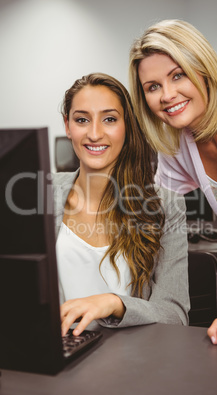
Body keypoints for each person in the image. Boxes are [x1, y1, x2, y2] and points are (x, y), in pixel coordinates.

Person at [128, 19, 217, 347]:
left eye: (178, 75)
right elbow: (153, 218)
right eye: (152, 86)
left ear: (202, 68)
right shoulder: (178, 141)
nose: (167, 95)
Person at [53, 72, 190, 336]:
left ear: (127, 127)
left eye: (109, 119)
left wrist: (114, 303)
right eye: (82, 119)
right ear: (68, 126)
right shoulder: (40, 194)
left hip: (130, 362)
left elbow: (175, 314)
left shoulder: (165, 205)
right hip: (58, 355)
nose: (94, 133)